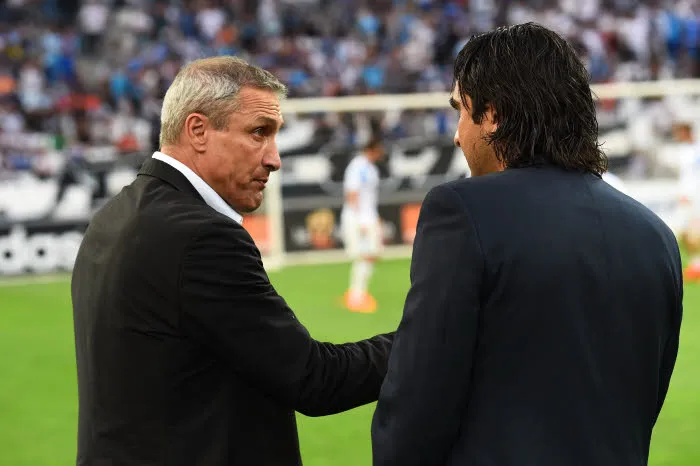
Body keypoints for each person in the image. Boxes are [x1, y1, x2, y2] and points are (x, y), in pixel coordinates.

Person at [371, 23, 683, 466]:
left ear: (493, 115)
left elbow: (419, 398)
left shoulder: (462, 209)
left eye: (461, 110)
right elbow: (646, 399)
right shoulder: (656, 235)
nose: (457, 134)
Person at [70, 56, 394, 466]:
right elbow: (317, 380)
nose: (274, 158)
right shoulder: (201, 237)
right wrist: (429, 336)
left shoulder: (113, 216)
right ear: (198, 130)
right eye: (259, 132)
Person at [340, 137, 385, 313]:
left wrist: (374, 216)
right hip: (359, 219)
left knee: (372, 254)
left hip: (369, 217)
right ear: (373, 149)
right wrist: (361, 220)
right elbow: (352, 194)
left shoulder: (371, 168)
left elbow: (369, 197)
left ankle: (357, 293)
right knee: (365, 255)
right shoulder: (357, 167)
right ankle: (357, 296)